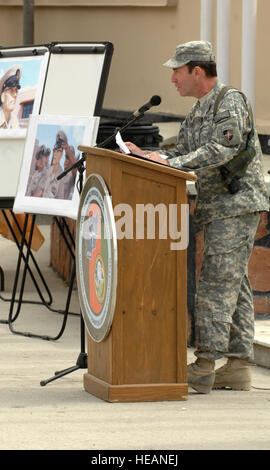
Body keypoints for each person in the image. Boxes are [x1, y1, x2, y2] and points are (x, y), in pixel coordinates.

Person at [123, 41, 269, 394]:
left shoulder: (229, 101)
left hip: (235, 207)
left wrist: (171, 163)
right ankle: (237, 365)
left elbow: (222, 149)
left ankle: (204, 367)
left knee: (216, 284)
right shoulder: (197, 113)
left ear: (197, 72)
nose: (173, 78)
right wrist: (148, 155)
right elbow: (183, 150)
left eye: (177, 70)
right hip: (218, 209)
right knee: (234, 284)